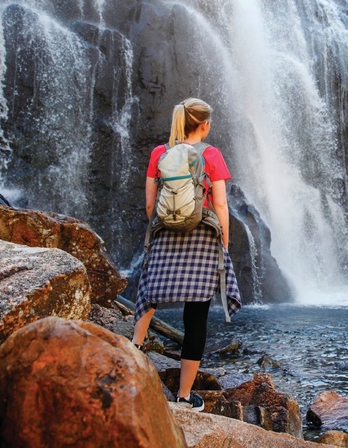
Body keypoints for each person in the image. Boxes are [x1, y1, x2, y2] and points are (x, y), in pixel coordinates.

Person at [132, 98, 241, 411]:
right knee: (196, 317)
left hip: (166, 232)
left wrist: (158, 231)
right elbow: (220, 204)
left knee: (149, 293)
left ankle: (133, 349)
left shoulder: (159, 153)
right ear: (204, 125)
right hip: (204, 235)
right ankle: (182, 397)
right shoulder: (212, 154)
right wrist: (224, 240)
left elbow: (150, 204)